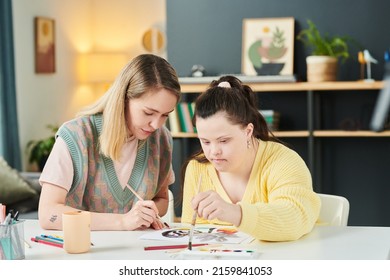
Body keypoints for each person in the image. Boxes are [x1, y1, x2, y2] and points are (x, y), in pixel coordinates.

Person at [38, 54, 181, 231]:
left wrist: (146, 213)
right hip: (83, 251)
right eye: (148, 113)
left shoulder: (162, 139)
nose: (156, 124)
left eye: (165, 115)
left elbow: (162, 200)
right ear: (124, 99)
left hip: (137, 250)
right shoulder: (75, 136)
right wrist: (122, 222)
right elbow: (47, 214)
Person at [181, 75, 320, 241]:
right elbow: (191, 233)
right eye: (205, 141)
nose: (213, 152)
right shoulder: (197, 168)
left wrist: (235, 213)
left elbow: (296, 217)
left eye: (223, 140)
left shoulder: (283, 161)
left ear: (248, 131)